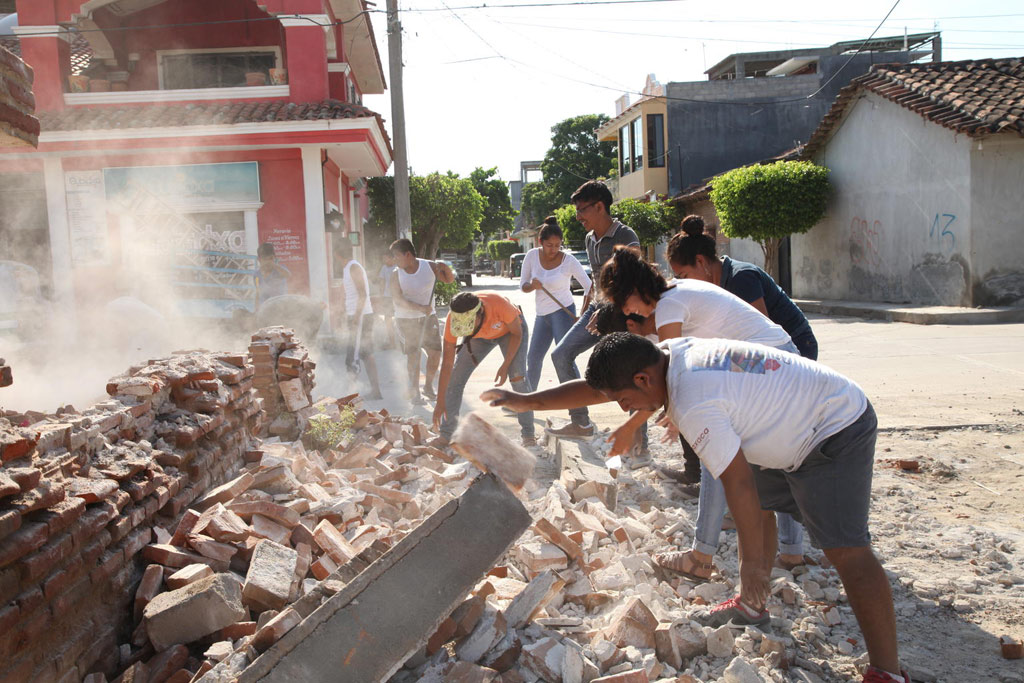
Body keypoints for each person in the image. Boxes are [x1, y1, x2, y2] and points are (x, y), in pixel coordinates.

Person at [482, 333, 907, 683]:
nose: (622, 409)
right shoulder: (669, 354)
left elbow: (737, 484)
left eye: (623, 399)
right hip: (795, 417)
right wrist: (527, 401)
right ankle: (753, 605)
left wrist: (751, 567)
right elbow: (601, 387)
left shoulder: (693, 402)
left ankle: (887, 672)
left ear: (645, 379)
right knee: (757, 497)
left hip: (834, 427)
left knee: (846, 550)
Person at [598, 246, 808, 582]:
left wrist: (632, 426)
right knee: (773, 454)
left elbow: (665, 376)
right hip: (775, 360)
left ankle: (700, 556)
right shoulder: (677, 293)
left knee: (716, 453)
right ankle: (792, 551)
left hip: (764, 363)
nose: (628, 311)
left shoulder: (669, 306)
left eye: (625, 303)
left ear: (635, 291)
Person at [655, 215, 822, 578]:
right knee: (765, 452)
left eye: (682, 274)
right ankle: (777, 541)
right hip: (766, 366)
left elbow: (758, 350)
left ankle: (711, 551)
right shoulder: (711, 286)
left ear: (702, 263)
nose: (681, 285)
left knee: (765, 450)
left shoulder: (741, 278)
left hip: (792, 358)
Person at [547, 180, 640, 439]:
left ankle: (638, 444)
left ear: (600, 206)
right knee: (561, 355)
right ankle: (581, 423)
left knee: (631, 371)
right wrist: (590, 299)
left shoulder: (626, 236)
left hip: (623, 311)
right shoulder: (590, 239)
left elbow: (633, 282)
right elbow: (599, 276)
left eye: (582, 210)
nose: (578, 217)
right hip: (597, 309)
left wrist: (609, 310)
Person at [433, 291, 536, 447]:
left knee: (518, 378)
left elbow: (517, 333)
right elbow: (447, 365)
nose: (465, 328)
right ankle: (447, 434)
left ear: (480, 313)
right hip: (479, 338)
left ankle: (528, 435)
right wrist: (440, 402)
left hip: (510, 332)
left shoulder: (500, 305)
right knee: (455, 380)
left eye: (469, 324)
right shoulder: (453, 319)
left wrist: (506, 365)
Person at [519, 217, 592, 391]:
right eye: (549, 245)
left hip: (563, 312)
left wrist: (582, 314)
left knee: (564, 357)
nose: (553, 250)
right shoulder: (531, 256)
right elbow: (523, 285)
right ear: (540, 242)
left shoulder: (569, 261)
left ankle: (577, 400)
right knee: (533, 358)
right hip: (541, 315)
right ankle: (527, 399)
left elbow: (590, 286)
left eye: (557, 245)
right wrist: (532, 286)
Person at [389, 239, 456, 405]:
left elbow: (449, 280)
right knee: (414, 355)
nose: (395, 260)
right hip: (406, 319)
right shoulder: (396, 274)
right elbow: (398, 300)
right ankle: (415, 391)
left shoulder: (430, 267)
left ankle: (427, 386)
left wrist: (445, 266)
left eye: (397, 256)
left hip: (428, 317)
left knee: (435, 354)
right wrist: (419, 307)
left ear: (408, 254)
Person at [334, 241, 382, 400]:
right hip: (357, 315)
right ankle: (375, 391)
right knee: (365, 353)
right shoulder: (348, 268)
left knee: (352, 356)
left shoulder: (353, 267)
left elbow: (362, 294)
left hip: (360, 317)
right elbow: (349, 293)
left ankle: (351, 394)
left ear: (337, 255)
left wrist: (355, 318)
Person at [376, 252, 399, 349]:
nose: (383, 261)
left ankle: (405, 342)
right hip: (387, 297)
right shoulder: (384, 268)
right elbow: (382, 282)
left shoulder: (398, 267)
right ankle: (392, 343)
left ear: (391, 258)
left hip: (398, 298)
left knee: (401, 320)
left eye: (385, 258)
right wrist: (381, 297)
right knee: (388, 320)